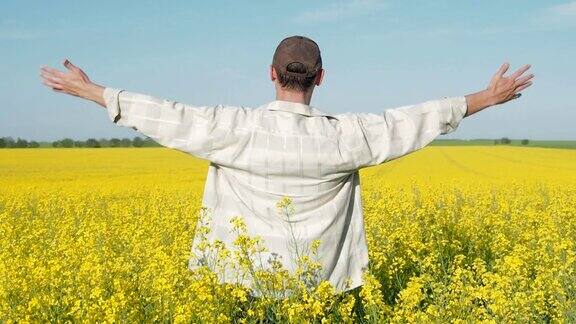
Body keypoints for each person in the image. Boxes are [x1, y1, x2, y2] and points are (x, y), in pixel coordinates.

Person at [39, 35, 533, 298]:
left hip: (242, 287)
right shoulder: (346, 137)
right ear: (321, 78)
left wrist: (91, 90)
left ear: (272, 75)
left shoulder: (233, 129)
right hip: (320, 294)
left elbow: (167, 115)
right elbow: (412, 121)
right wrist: (486, 98)